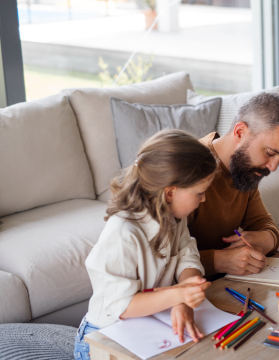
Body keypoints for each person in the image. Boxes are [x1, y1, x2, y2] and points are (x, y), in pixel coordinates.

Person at [74, 130, 217, 360]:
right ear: (170, 193)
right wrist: (178, 296)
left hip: (146, 324)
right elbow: (122, 305)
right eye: (199, 193)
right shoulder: (123, 233)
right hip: (104, 338)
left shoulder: (175, 216)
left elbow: (186, 254)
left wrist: (186, 294)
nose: (204, 199)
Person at [187, 92, 279, 277]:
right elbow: (160, 260)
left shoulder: (243, 170)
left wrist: (266, 238)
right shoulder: (187, 171)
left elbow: (264, 224)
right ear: (240, 132)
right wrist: (219, 261)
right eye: (269, 153)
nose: (273, 167)